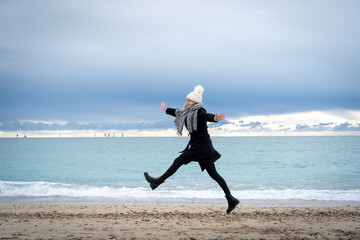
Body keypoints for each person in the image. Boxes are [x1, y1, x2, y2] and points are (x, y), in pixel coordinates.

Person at [144, 85, 239, 214]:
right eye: (187, 100)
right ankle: (231, 199)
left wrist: (215, 118)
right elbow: (177, 113)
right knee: (214, 174)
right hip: (203, 146)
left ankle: (158, 181)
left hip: (202, 147)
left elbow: (207, 116)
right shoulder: (187, 113)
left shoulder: (199, 111)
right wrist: (166, 109)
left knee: (179, 160)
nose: (187, 102)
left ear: (195, 102)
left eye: (189, 100)